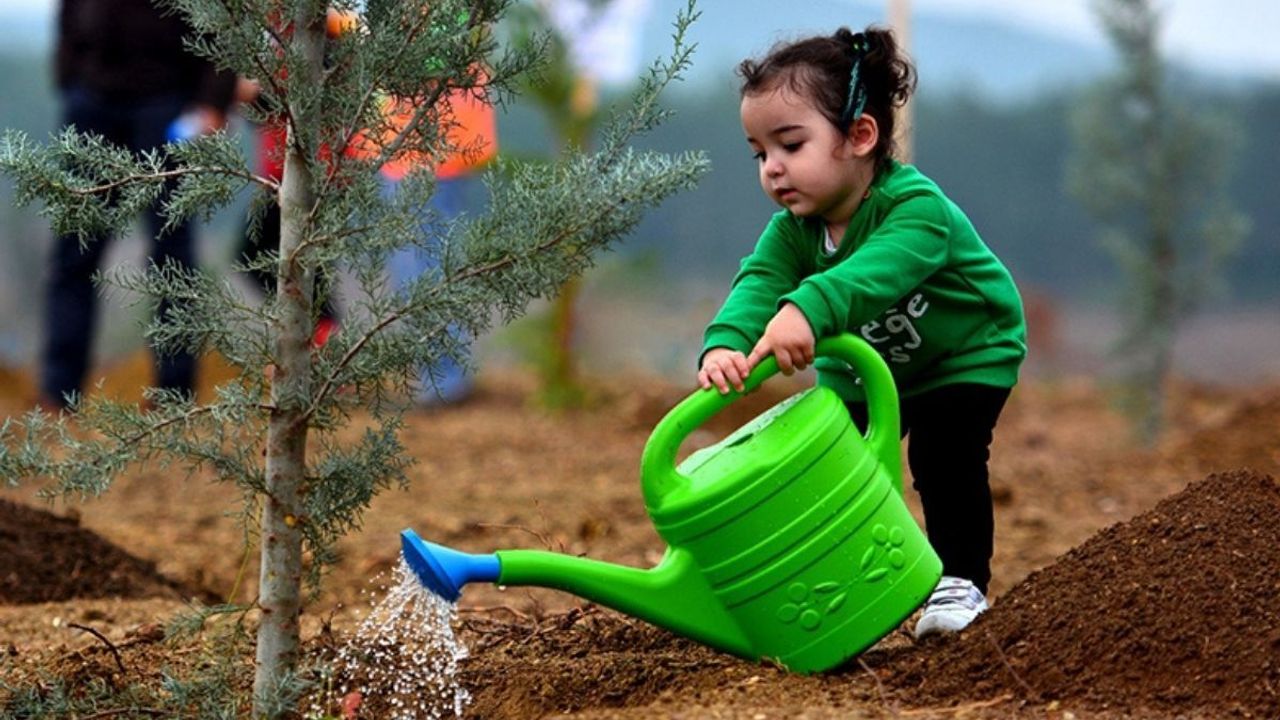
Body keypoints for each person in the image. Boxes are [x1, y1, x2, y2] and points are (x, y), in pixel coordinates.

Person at [696, 27, 1027, 639]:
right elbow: (759, 280)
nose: (772, 168)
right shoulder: (793, 230)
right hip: (865, 366)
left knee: (942, 455)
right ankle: (839, 592)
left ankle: (961, 583)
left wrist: (806, 309)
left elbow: (874, 275)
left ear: (860, 135)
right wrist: (727, 340)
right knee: (830, 465)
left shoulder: (915, 209)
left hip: (962, 355)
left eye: (790, 145)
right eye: (759, 153)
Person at [43, 0, 236, 409]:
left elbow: (223, 21)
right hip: (93, 101)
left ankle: (175, 394)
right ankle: (58, 391)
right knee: (74, 250)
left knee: (171, 253)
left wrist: (214, 103)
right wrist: (71, 79)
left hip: (167, 103)